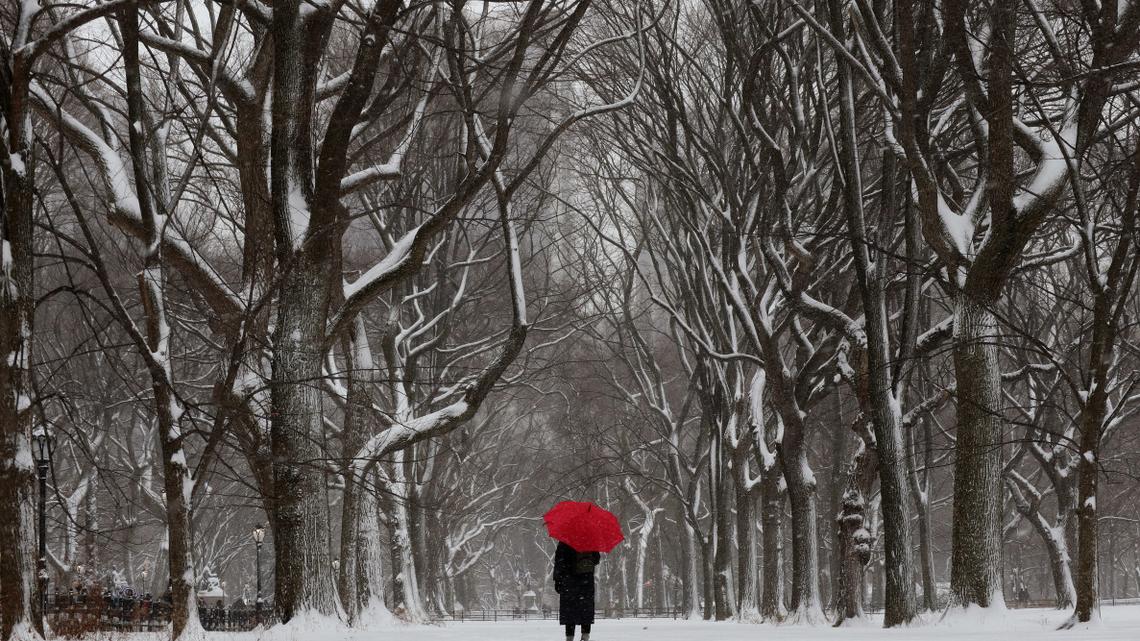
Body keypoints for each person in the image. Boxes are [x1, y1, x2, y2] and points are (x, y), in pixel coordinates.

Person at [553, 541, 601, 641]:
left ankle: (569, 637)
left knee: (569, 610)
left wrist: (557, 580)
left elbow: (559, 561)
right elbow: (596, 560)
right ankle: (585, 635)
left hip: (569, 580)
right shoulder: (590, 540)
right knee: (585, 609)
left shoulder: (565, 541)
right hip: (586, 580)